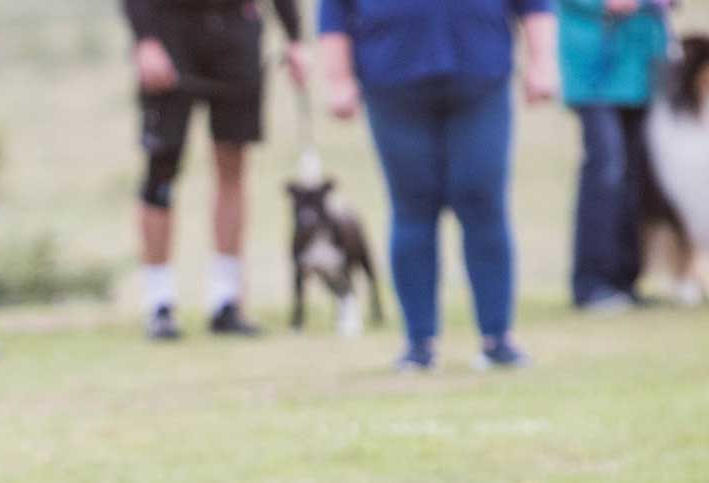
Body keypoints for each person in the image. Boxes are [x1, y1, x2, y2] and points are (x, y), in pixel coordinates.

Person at [318, 0, 558, 371]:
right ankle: (418, 342)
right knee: (412, 206)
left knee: (482, 199)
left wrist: (542, 62)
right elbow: (334, 12)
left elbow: (535, 5)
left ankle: (497, 338)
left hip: (480, 74)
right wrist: (339, 79)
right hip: (393, 79)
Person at [123, 0, 308, 339]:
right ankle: (159, 302)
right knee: (161, 167)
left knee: (233, 164)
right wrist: (145, 39)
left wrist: (294, 36)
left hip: (235, 28)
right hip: (170, 28)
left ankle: (226, 300)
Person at [558, 0, 669, 311]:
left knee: (636, 173)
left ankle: (625, 280)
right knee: (606, 167)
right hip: (595, 65)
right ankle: (592, 284)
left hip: (643, 63)